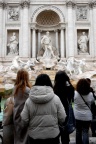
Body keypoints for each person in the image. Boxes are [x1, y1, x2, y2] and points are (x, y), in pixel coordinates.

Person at [21, 73, 66, 144]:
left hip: (34, 136)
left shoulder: (29, 100)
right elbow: (62, 117)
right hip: (53, 135)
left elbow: (24, 119)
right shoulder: (56, 98)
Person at [53, 70, 74, 144]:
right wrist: (68, 81)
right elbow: (72, 98)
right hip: (66, 110)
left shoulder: (54, 89)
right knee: (65, 133)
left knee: (57, 132)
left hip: (56, 111)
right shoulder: (69, 88)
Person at [74, 78, 94, 144]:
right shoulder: (90, 94)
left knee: (78, 131)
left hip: (77, 116)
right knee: (85, 131)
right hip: (87, 116)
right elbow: (92, 103)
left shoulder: (75, 93)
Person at [13, 68, 31, 144]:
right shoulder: (27, 90)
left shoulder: (15, 88)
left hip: (16, 113)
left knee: (18, 135)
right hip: (25, 114)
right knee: (25, 137)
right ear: (26, 77)